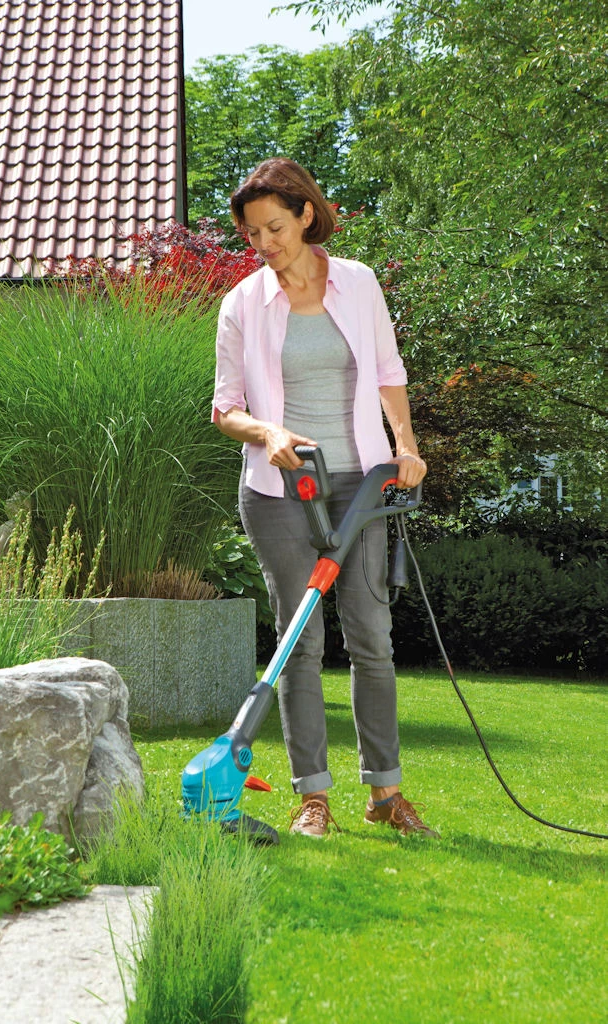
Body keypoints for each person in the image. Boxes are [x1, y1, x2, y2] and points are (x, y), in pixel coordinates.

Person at [212, 157, 438, 839]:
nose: (264, 244)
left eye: (275, 228)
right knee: (298, 641)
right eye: (252, 233)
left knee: (372, 637)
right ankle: (313, 798)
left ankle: (385, 793)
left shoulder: (358, 284)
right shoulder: (243, 304)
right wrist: (268, 431)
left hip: (361, 483)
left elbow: (388, 372)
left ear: (306, 214)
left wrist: (405, 445)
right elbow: (225, 409)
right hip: (280, 490)